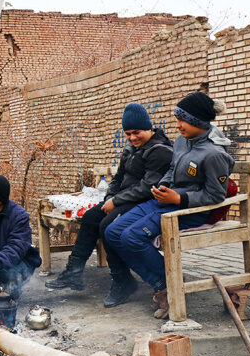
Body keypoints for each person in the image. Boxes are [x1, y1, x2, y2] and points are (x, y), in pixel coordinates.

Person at [104, 92, 233, 319]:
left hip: (190, 210)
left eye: (182, 120)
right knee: (113, 232)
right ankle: (167, 280)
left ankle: (167, 286)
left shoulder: (214, 154)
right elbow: (172, 169)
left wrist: (179, 199)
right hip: (165, 201)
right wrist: (163, 186)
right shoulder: (183, 141)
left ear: (198, 122)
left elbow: (216, 195)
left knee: (132, 237)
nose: (178, 125)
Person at [46, 103, 173, 308]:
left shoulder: (160, 151)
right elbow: (118, 178)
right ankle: (73, 273)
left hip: (146, 202)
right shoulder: (131, 148)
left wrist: (116, 201)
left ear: (149, 128)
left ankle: (123, 281)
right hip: (124, 199)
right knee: (89, 217)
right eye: (128, 133)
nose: (132, 138)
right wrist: (109, 198)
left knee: (107, 225)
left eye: (137, 132)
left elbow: (148, 186)